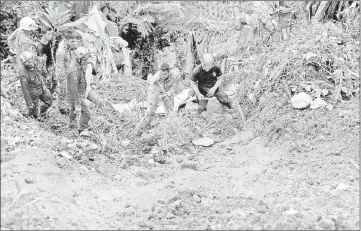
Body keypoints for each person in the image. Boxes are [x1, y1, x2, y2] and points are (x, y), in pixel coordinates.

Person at [135, 63, 182, 134]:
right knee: (150, 109)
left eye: (165, 74)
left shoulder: (175, 76)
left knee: (170, 108)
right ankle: (148, 122)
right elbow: (151, 90)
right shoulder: (156, 77)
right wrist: (152, 100)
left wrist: (165, 95)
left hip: (168, 91)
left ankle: (170, 124)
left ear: (169, 72)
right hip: (157, 90)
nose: (163, 76)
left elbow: (174, 88)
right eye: (161, 73)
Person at [67, 47, 97, 134]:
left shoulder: (78, 65)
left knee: (72, 110)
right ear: (79, 58)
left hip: (77, 94)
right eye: (85, 59)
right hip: (76, 95)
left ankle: (71, 126)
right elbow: (74, 88)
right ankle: (82, 129)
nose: (86, 61)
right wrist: (77, 104)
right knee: (87, 113)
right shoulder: (74, 70)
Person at [18, 51, 53, 120]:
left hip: (42, 87)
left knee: (49, 100)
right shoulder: (23, 74)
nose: (30, 63)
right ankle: (32, 114)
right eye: (27, 62)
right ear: (24, 63)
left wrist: (47, 76)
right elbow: (25, 90)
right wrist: (29, 103)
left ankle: (42, 114)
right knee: (34, 113)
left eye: (30, 60)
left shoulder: (37, 62)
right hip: (33, 93)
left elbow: (43, 70)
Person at [55, 30, 82, 114]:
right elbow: (60, 67)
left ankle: (69, 106)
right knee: (63, 91)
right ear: (66, 40)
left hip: (70, 70)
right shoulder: (61, 52)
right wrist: (63, 79)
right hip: (63, 73)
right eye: (72, 41)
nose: (74, 43)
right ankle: (62, 108)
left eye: (75, 40)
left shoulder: (71, 46)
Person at [37, 27, 58, 99]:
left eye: (51, 34)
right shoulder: (40, 46)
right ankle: (48, 97)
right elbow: (41, 61)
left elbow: (51, 52)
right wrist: (45, 72)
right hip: (46, 67)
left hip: (51, 64)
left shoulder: (48, 42)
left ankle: (54, 93)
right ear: (43, 35)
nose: (51, 36)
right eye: (49, 34)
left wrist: (53, 62)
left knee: (55, 80)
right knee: (48, 82)